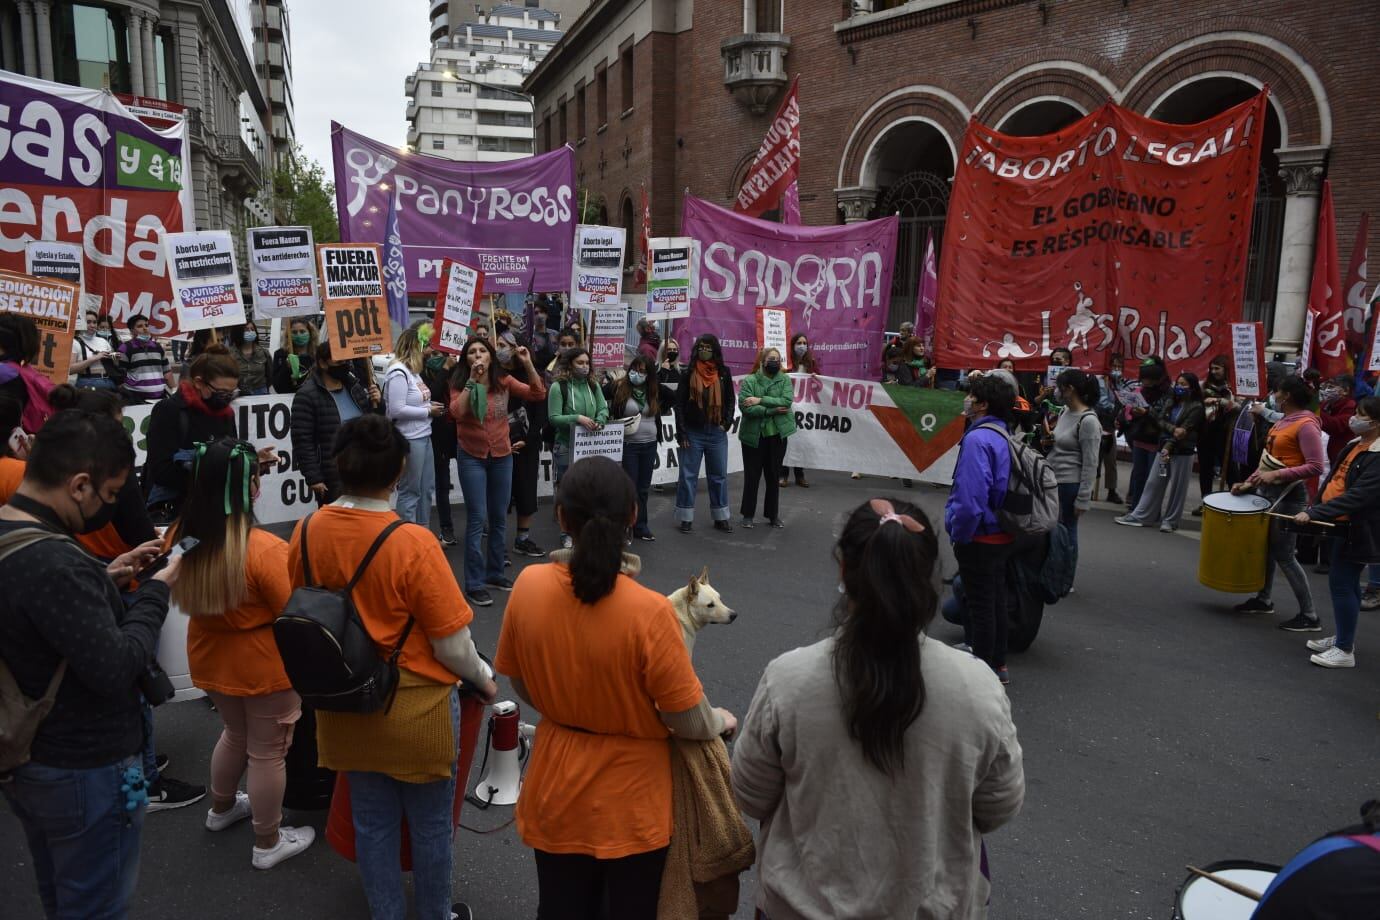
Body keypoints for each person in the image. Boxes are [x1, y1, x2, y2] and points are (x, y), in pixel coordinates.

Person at [732, 497, 1024, 920]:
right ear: (929, 578)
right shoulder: (979, 686)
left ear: (843, 571)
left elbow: (751, 794)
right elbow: (999, 805)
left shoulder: (789, 680)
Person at [494, 456, 736, 918]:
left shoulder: (528, 585)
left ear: (561, 516)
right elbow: (684, 716)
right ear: (632, 516)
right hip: (634, 802)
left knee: (561, 908)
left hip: (556, 786)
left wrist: (565, 706)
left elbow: (519, 679)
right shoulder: (650, 611)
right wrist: (718, 720)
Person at [286, 415, 497, 920]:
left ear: (339, 465)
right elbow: (452, 646)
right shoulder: (412, 542)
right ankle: (435, 914)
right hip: (415, 709)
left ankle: (386, 913)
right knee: (429, 827)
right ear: (400, 470)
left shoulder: (307, 529)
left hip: (341, 703)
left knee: (371, 821)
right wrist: (484, 682)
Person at [0, 409, 178, 919]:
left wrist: (106, 574)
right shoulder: (57, 563)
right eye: (111, 494)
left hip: (31, 761)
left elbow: (44, 620)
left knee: (61, 895)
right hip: (82, 768)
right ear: (80, 485)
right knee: (95, 906)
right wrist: (156, 593)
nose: (113, 507)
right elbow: (115, 665)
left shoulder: (17, 533)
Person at [169, 437, 314, 867]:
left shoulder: (183, 538)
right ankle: (268, 842)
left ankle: (221, 808)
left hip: (210, 657)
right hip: (264, 666)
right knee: (268, 751)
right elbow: (294, 610)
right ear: (249, 488)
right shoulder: (264, 550)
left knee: (234, 734)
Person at [450, 336, 545, 607]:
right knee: (478, 518)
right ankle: (474, 583)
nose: (478, 356)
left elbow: (538, 394)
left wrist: (527, 364)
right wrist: (472, 380)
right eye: (472, 352)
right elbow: (457, 412)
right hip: (472, 456)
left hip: (502, 455)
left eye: (482, 351)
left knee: (499, 516)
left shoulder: (503, 381)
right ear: (465, 358)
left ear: (491, 356)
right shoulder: (458, 382)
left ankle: (495, 573)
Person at [1290, 396, 1380, 668]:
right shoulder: (1356, 444)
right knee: (1346, 583)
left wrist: (1315, 512)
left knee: (1342, 584)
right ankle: (1343, 636)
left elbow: (1359, 496)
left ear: (1375, 422)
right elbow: (1333, 479)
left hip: (1359, 528)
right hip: (1339, 524)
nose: (1355, 419)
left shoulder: (1377, 455)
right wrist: (1316, 505)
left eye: (1361, 415)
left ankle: (1344, 650)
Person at [1231, 375, 1324, 631]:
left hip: (1289, 497)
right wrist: (1249, 482)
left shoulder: (1306, 424)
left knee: (1284, 555)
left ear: (1288, 397)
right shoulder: (1284, 421)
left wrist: (1277, 475)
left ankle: (1310, 615)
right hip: (1269, 493)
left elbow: (1316, 466)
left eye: (1278, 392)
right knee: (1268, 551)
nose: (1275, 395)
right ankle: (1264, 599)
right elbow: (1268, 459)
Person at [944, 372, 1017, 684]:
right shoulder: (1003, 434)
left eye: (972, 396)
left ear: (983, 404)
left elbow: (970, 497)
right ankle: (997, 665)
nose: (967, 401)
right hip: (1003, 531)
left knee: (980, 605)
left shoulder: (977, 438)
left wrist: (959, 534)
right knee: (995, 600)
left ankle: (982, 676)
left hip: (980, 534)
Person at [144, 344, 241, 521]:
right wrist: (212, 472)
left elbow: (232, 454)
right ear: (198, 382)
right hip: (178, 513)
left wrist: (251, 461)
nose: (227, 398)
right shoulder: (170, 410)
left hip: (217, 511)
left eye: (232, 393)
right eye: (221, 392)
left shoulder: (226, 414)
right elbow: (161, 470)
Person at [289, 341, 381, 506]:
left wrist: (378, 403)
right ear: (323, 363)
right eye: (339, 362)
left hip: (364, 469)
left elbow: (374, 423)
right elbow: (303, 441)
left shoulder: (354, 386)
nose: (344, 366)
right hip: (333, 475)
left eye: (347, 361)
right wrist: (314, 477)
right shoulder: (307, 396)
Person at [1116, 372, 1206, 533]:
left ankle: (1170, 521)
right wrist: (1170, 429)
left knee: (1178, 489)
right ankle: (1142, 515)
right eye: (1178, 383)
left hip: (1182, 451)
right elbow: (1160, 420)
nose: (1179, 387)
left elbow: (1184, 431)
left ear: (1192, 387)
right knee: (1153, 483)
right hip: (1164, 447)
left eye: (1183, 384)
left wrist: (1170, 442)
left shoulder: (1197, 407)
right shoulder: (1172, 401)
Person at [384, 322, 445, 528]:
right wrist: (428, 411)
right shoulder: (398, 372)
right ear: (415, 346)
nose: (430, 350)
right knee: (411, 490)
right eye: (426, 345)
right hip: (410, 438)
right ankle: (406, 534)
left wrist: (429, 404)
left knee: (426, 488)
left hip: (423, 435)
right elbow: (396, 410)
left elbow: (415, 400)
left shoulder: (414, 372)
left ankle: (422, 532)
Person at [547, 345, 608, 547]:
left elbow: (603, 408)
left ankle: (586, 530)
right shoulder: (559, 387)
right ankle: (567, 533)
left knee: (590, 492)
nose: (584, 366)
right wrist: (578, 418)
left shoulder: (593, 385)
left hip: (589, 446)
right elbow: (554, 418)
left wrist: (600, 419)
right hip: (566, 446)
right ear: (570, 364)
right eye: (579, 363)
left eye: (586, 363)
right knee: (568, 492)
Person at [675, 333, 736, 533]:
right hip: (693, 432)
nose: (704, 350)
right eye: (701, 347)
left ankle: (721, 517)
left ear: (715, 350)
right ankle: (685, 517)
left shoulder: (724, 372)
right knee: (687, 475)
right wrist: (682, 433)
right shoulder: (688, 372)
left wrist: (725, 425)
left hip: (716, 432)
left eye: (708, 347)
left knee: (718, 475)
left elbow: (729, 402)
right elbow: (680, 405)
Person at [496, 334, 549, 560]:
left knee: (526, 491)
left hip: (526, 444)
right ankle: (497, 546)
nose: (498, 349)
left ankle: (522, 539)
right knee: (499, 497)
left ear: (516, 348)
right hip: (499, 444)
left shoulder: (530, 373)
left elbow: (540, 407)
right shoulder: (493, 374)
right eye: (496, 345)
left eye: (503, 345)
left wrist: (529, 439)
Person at [738, 347, 795, 529]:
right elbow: (746, 408)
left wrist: (759, 400)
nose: (775, 362)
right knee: (752, 477)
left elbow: (786, 402)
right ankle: (748, 515)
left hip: (777, 437)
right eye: (771, 359)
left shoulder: (785, 379)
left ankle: (773, 515)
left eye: (778, 359)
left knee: (773, 477)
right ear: (762, 361)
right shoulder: (750, 381)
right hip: (753, 437)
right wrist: (770, 410)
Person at [609, 354, 662, 541]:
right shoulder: (619, 387)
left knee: (643, 488)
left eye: (642, 371)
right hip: (629, 445)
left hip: (649, 445)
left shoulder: (653, 391)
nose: (637, 374)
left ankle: (641, 525)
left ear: (649, 375)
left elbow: (674, 396)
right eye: (634, 370)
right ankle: (625, 525)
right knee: (629, 488)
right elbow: (600, 393)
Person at [1048, 369, 1103, 548]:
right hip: (1053, 481)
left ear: (1069, 389)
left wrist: (1083, 498)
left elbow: (1091, 463)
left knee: (1066, 533)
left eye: (1059, 387)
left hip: (1069, 486)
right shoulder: (1065, 411)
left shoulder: (1088, 421)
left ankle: (1065, 571)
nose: (1056, 391)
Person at [1123, 358, 1172, 509]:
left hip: (1157, 441)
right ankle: (1135, 508)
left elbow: (1164, 417)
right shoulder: (1142, 391)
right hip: (1140, 437)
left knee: (1154, 479)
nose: (1145, 382)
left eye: (1148, 379)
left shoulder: (1169, 393)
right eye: (1143, 379)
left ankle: (1150, 511)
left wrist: (1147, 412)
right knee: (1138, 476)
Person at [423, 348, 459, 545]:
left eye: (439, 354)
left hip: (461, 434)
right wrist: (444, 369)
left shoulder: (458, 371)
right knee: (442, 484)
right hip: (439, 438)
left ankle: (481, 524)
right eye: (432, 355)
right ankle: (447, 528)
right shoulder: (423, 375)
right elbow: (433, 395)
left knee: (472, 482)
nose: (435, 358)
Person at [1196, 355, 1237, 505]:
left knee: (1230, 470)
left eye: (1217, 368)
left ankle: (1235, 503)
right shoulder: (1203, 386)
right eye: (1211, 368)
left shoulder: (1232, 387)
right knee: (1205, 470)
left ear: (1225, 369)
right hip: (1205, 432)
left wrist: (1220, 401)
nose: (1213, 371)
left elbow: (1238, 407)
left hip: (1225, 433)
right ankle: (1206, 502)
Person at [781, 333, 817, 488]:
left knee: (800, 441)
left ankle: (799, 475)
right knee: (786, 440)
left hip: (804, 409)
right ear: (792, 345)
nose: (802, 346)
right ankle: (783, 474)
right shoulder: (787, 363)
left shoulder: (811, 362)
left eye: (804, 343)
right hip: (789, 406)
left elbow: (820, 380)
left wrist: (816, 376)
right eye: (799, 343)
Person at [116, 314, 174, 404]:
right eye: (140, 326)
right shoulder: (125, 348)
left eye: (146, 325)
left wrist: (174, 391)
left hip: (160, 398)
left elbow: (167, 372)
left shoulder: (158, 347)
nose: (145, 328)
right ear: (132, 331)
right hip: (136, 399)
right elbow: (120, 375)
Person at [1096, 356, 1125, 504]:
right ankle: (1089, 490)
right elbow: (1103, 403)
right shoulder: (1101, 380)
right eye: (1114, 366)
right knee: (1095, 458)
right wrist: (1116, 410)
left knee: (1111, 460)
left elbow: (1121, 398)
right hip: (1099, 422)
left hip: (1110, 424)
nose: (1117, 369)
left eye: (1119, 366)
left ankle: (1111, 491)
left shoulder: (1117, 382)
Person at [71, 311, 118, 391]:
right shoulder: (75, 342)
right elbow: (70, 369)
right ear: (80, 323)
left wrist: (115, 357)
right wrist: (95, 358)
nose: (92, 325)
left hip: (109, 382)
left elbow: (115, 363)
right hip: (88, 383)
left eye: (94, 322)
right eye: (88, 322)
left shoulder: (103, 341)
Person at [1319, 375, 1359, 466]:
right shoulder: (1327, 403)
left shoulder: (1351, 406)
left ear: (1345, 391)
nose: (1327, 390)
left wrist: (1316, 409)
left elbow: (1335, 425)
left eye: (1331, 387)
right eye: (1326, 387)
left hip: (1338, 453)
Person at [272, 318, 318, 394]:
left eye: (302, 331)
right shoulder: (281, 354)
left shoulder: (318, 353)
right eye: (294, 332)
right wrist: (286, 368)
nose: (298, 335)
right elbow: (278, 386)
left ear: (310, 333)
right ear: (289, 335)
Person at [229, 323, 272, 396]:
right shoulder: (230, 354)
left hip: (261, 393)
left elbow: (270, 376)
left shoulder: (264, 352)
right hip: (239, 395)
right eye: (246, 329)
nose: (250, 332)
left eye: (252, 329)